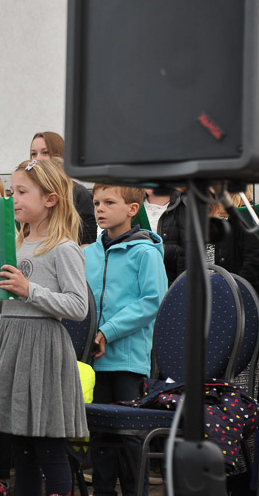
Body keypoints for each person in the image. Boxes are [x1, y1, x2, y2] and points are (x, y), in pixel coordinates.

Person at [0, 158, 89, 496]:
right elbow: (8, 306)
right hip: (11, 343)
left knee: (47, 444)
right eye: (12, 191)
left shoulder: (63, 248)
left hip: (44, 349)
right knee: (21, 445)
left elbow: (78, 307)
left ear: (50, 199)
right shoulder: (16, 245)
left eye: (22, 192)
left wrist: (28, 289)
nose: (13, 199)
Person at [83, 184, 168, 496]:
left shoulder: (146, 253)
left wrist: (109, 331)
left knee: (132, 436)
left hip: (129, 360)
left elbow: (152, 301)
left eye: (109, 202)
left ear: (133, 209)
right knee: (100, 435)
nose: (100, 209)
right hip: (95, 359)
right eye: (96, 203)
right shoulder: (87, 253)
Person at [29, 132, 97, 245]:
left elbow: (88, 242)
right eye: (33, 154)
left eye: (45, 152)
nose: (38, 158)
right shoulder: (30, 193)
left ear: (59, 155)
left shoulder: (78, 193)